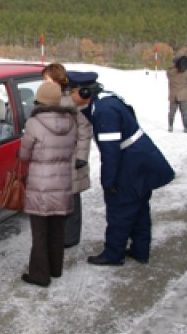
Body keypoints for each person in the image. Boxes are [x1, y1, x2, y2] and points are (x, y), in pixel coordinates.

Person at [67, 71, 175, 266]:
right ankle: (140, 250)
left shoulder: (104, 111)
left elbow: (111, 152)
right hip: (139, 160)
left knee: (120, 210)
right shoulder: (105, 100)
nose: (69, 98)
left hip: (130, 164)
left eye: (70, 92)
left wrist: (109, 181)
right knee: (140, 208)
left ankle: (113, 254)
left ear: (83, 92)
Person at [19, 81, 77, 287]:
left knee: (40, 232)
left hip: (40, 186)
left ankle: (39, 275)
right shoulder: (71, 120)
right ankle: (55, 268)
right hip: (62, 183)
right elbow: (72, 150)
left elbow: (24, 154)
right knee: (57, 229)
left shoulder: (34, 123)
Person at [41, 63, 93, 248]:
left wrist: (81, 156)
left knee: (72, 197)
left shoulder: (71, 102)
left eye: (46, 79)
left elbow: (85, 130)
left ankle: (70, 237)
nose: (44, 82)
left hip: (71, 158)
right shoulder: (47, 100)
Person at [167, 55, 187, 132]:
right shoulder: (185, 72)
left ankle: (170, 126)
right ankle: (186, 128)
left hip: (173, 95)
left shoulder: (169, 72)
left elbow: (170, 73)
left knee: (172, 112)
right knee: (184, 113)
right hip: (183, 95)